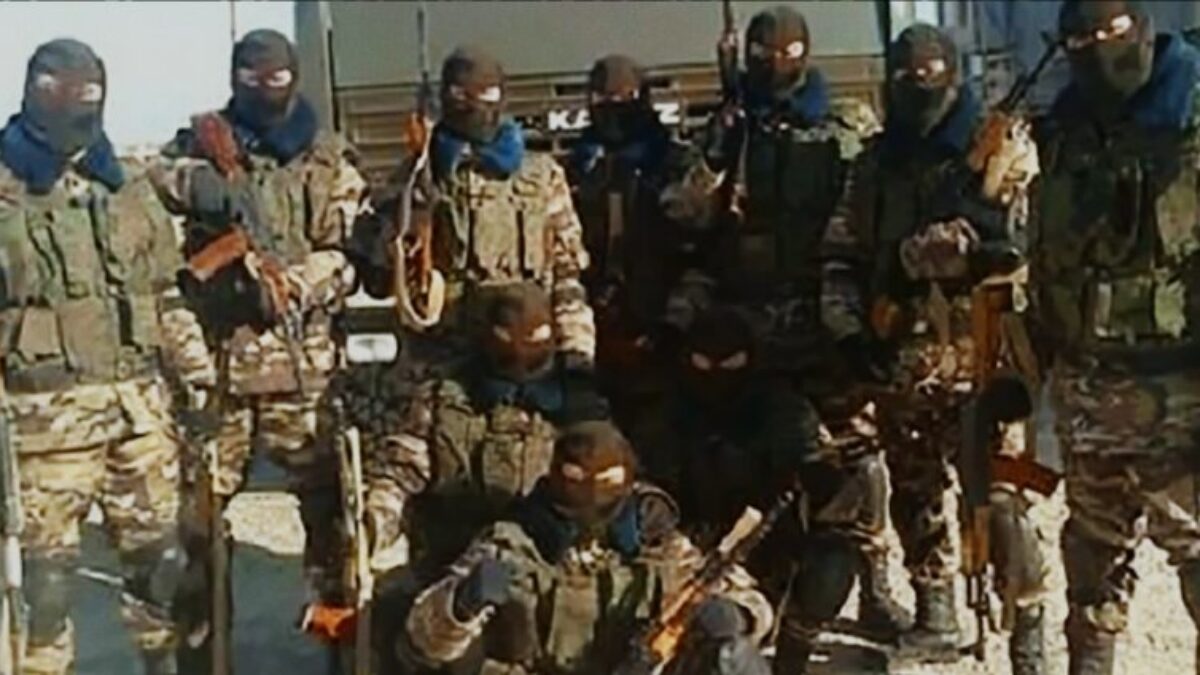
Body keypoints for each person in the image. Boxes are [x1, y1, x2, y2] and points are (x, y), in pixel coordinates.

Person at [821, 22, 1047, 669]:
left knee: (1004, 501)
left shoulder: (999, 151)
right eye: (905, 75)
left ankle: (1029, 634)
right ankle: (936, 614)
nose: (917, 85)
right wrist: (850, 333)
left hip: (987, 358)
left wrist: (982, 243)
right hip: (901, 361)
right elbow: (840, 254)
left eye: (930, 73)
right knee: (916, 493)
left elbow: (1026, 243)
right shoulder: (873, 165)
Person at [150, 28, 367, 666]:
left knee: (332, 519)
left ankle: (339, 646)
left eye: (275, 78)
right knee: (197, 525)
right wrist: (200, 185)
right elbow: (150, 201)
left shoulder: (327, 157)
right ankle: (205, 654)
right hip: (218, 370)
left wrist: (295, 281)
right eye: (250, 77)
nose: (263, 88)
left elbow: (350, 253)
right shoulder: (198, 146)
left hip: (304, 372)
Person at [0, 39, 185, 675]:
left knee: (162, 571)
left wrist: (198, 384)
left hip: (138, 417)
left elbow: (165, 294)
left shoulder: (127, 184)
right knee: (45, 592)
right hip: (42, 429)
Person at [1030, 2, 1200, 672]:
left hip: (1182, 392)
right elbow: (1046, 259)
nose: (1097, 50)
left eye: (1112, 34)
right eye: (1079, 40)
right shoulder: (1065, 132)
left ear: (1145, 31)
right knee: (1091, 561)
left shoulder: (1190, 120)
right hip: (1087, 389)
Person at [356, 283, 605, 671]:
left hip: (544, 576)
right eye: (509, 349)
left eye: (535, 349)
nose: (521, 363)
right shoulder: (445, 398)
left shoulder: (578, 405)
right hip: (449, 566)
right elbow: (401, 470)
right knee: (394, 630)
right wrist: (375, 522)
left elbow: (610, 488)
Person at [401, 421, 774, 675]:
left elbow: (754, 604)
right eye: (576, 480)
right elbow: (422, 639)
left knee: (737, 660)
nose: (592, 498)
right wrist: (460, 604)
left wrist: (737, 614)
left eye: (607, 482)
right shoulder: (511, 543)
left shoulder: (659, 544)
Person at [349, 45, 594, 380]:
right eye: (461, 96)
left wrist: (577, 357)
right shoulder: (414, 177)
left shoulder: (542, 177)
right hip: (441, 364)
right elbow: (379, 281)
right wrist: (408, 223)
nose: (474, 107)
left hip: (524, 360)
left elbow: (567, 278)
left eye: (487, 95)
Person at [564, 54, 704, 432]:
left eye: (624, 98)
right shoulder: (577, 168)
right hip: (595, 331)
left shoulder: (674, 163)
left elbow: (701, 253)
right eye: (601, 100)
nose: (612, 109)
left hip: (667, 326)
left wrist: (673, 325)